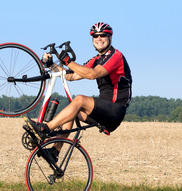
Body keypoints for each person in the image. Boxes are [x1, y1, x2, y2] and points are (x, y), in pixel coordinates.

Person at [24, 22, 132, 161]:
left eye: (103, 35)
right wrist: (51, 65)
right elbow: (72, 76)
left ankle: (46, 128)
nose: (99, 38)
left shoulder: (115, 56)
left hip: (115, 111)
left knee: (79, 100)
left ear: (110, 37)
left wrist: (68, 61)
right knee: (71, 111)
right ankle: (55, 152)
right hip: (102, 112)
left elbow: (92, 74)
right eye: (96, 36)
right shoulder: (97, 59)